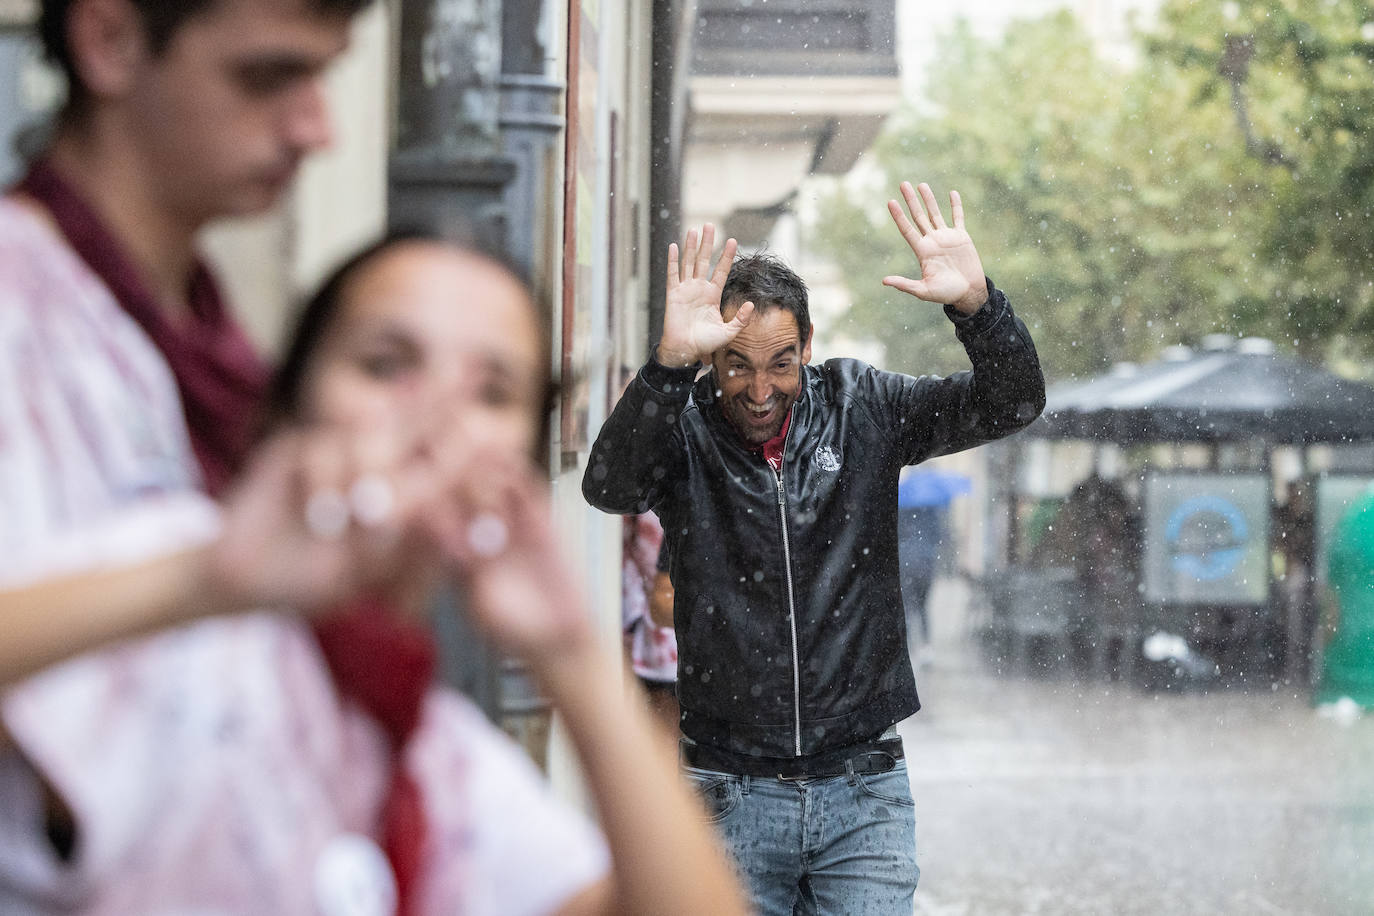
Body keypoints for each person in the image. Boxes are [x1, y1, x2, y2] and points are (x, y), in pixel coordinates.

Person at [0, 0, 747, 911]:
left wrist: (577, 661)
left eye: (493, 393)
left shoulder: (407, 740)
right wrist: (208, 578)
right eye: (268, 76)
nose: (319, 128)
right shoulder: (42, 328)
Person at [582, 181, 1046, 914]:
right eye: (737, 363)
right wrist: (669, 367)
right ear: (712, 359)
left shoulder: (866, 407)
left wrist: (977, 307)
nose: (760, 389)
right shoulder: (687, 429)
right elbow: (609, 487)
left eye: (781, 363)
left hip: (863, 792)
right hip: (728, 794)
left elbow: (1012, 402)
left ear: (809, 349)